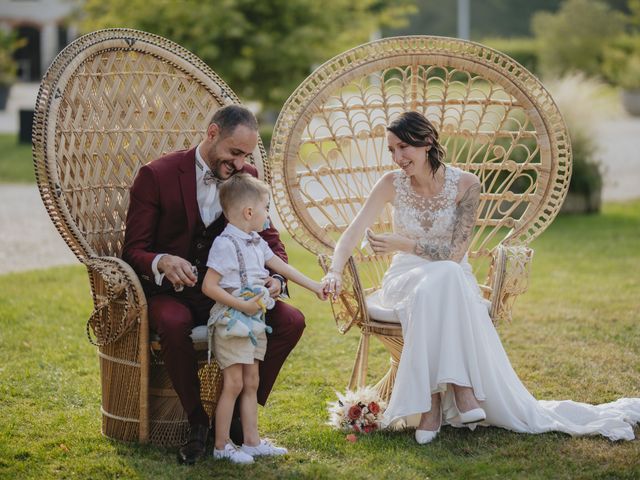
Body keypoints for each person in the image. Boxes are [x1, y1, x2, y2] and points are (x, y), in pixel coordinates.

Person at [321, 111, 640, 444]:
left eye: (404, 147)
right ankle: (463, 390)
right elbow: (353, 231)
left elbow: (456, 254)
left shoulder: (467, 185)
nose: (398, 158)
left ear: (427, 142)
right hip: (405, 276)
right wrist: (334, 269)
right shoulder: (390, 183)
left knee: (446, 275)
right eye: (392, 150)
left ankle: (432, 405)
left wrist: (405, 243)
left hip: (451, 276)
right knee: (443, 280)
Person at [123, 105, 306, 464]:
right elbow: (134, 250)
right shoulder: (155, 175)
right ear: (211, 134)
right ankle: (198, 424)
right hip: (172, 293)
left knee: (291, 321)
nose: (240, 164)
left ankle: (239, 417)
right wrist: (162, 261)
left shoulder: (246, 176)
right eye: (234, 153)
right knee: (174, 324)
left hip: (230, 293)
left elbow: (270, 239)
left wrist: (276, 278)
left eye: (246, 156)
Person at [202, 174, 326, 464]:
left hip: (254, 321)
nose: (268, 214)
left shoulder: (256, 242)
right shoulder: (226, 244)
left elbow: (283, 267)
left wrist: (316, 287)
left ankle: (251, 442)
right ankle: (221, 446)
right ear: (249, 212)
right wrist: (241, 305)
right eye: (266, 207)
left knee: (252, 381)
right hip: (231, 320)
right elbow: (209, 286)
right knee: (233, 383)